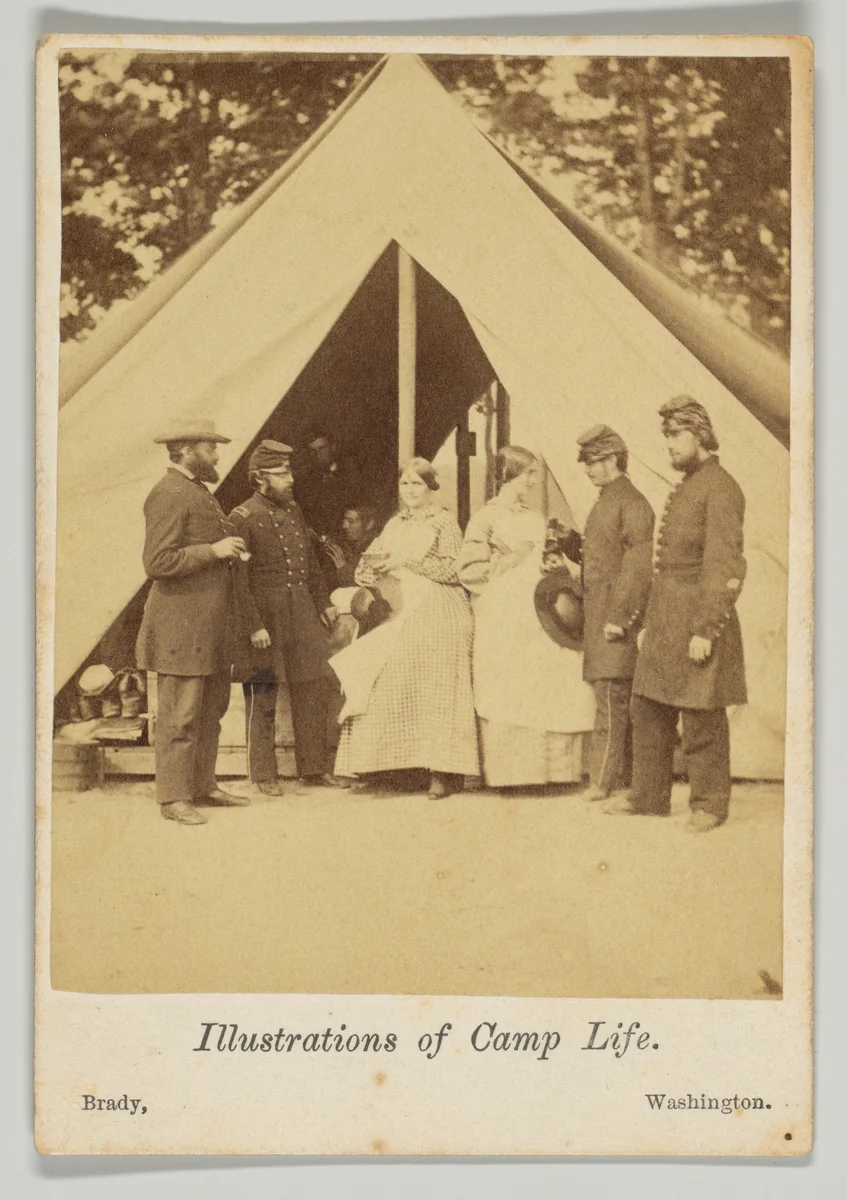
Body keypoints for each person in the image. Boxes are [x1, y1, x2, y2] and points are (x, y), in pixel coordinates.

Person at [604, 396, 747, 832]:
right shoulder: (688, 484)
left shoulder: (721, 487)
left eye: (674, 435)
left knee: (701, 713)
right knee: (648, 707)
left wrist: (705, 628)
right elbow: (666, 567)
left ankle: (709, 804)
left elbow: (724, 564)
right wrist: (650, 621)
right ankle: (648, 798)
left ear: (700, 434)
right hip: (666, 614)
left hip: (698, 615)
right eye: (665, 435)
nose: (667, 444)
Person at [331, 457, 479, 800]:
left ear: (430, 488)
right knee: (381, 669)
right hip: (397, 602)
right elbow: (371, 558)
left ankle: (442, 771)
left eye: (417, 484)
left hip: (437, 603)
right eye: (405, 484)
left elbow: (453, 570)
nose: (410, 491)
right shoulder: (394, 524)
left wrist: (407, 562)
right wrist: (364, 574)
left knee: (433, 673)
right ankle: (392, 767)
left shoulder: (444, 522)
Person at [135, 420, 257, 826]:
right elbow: (157, 562)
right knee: (180, 716)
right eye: (210, 449)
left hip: (210, 629)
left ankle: (202, 786)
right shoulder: (168, 493)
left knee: (210, 712)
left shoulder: (197, 492)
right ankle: (173, 798)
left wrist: (226, 552)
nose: (217, 456)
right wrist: (213, 550)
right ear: (186, 451)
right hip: (180, 630)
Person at [457, 445, 595, 790]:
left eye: (535, 473)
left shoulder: (535, 517)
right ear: (509, 474)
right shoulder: (485, 518)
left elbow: (546, 557)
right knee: (512, 680)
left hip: (541, 609)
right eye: (529, 473)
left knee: (554, 669)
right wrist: (507, 561)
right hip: (503, 611)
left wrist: (552, 564)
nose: (534, 480)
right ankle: (514, 773)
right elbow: (467, 569)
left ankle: (553, 771)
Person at [229, 440, 348, 793]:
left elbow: (310, 563)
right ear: (260, 478)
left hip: (301, 613)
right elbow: (237, 582)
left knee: (312, 685)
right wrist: (253, 626)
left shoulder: (294, 510)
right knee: (263, 690)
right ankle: (264, 774)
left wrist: (323, 600)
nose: (290, 479)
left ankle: (313, 768)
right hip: (265, 618)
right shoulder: (242, 518)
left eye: (289, 471)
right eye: (282, 474)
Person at [562, 425, 655, 801]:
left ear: (614, 459)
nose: (587, 469)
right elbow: (602, 556)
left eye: (594, 461)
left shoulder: (631, 503)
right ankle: (621, 777)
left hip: (616, 620)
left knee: (612, 700)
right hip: (602, 616)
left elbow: (637, 565)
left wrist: (620, 618)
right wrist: (571, 544)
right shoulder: (608, 501)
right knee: (614, 698)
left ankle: (602, 782)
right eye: (586, 462)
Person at [293, 427, 364, 542]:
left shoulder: (350, 475)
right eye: (313, 451)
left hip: (347, 539)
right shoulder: (303, 480)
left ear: (332, 447)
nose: (318, 455)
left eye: (321, 449)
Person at [323, 505, 379, 588]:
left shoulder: (375, 551)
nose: (344, 526)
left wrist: (343, 568)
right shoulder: (348, 545)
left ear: (369, 524)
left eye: (351, 521)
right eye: (344, 520)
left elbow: (366, 590)